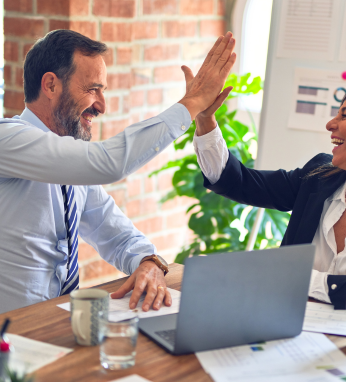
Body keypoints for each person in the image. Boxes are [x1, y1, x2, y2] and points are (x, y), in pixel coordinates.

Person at [0, 29, 236, 313]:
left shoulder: (72, 166)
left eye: (103, 91)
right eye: (92, 89)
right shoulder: (8, 140)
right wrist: (192, 104)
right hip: (12, 332)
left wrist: (148, 262)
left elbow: (115, 234)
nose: (102, 105)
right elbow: (107, 163)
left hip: (57, 324)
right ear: (50, 85)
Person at [193, 77, 346, 315]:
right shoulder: (317, 177)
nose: (330, 124)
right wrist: (204, 118)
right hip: (289, 328)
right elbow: (239, 182)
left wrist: (295, 279)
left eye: (345, 115)